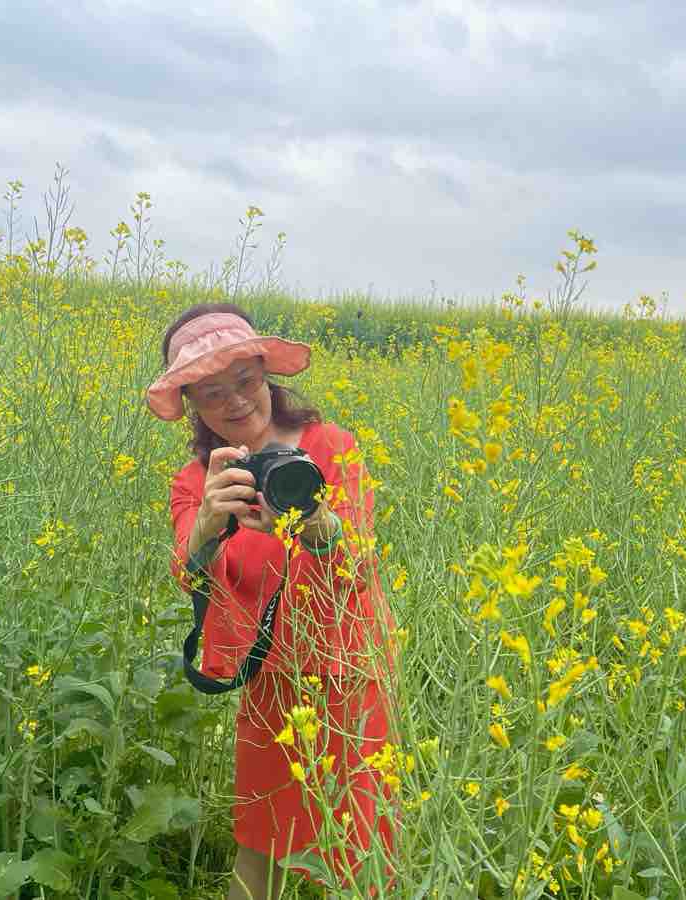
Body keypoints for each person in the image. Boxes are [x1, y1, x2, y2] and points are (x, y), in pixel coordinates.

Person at [145, 303, 397, 899]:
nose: (235, 402)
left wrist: (315, 522)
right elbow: (188, 573)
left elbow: (361, 564)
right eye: (212, 394)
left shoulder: (331, 446)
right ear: (193, 405)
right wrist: (209, 522)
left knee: (362, 841)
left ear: (267, 375)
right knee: (261, 840)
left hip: (348, 670)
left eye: (245, 381)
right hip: (268, 678)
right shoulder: (197, 480)